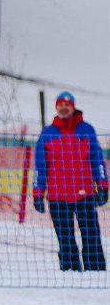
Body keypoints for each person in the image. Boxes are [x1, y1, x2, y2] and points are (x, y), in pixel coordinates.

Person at [33, 91, 108, 272]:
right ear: (57, 108)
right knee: (65, 237)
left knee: (91, 234)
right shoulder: (47, 134)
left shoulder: (86, 130)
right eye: (61, 105)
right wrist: (37, 194)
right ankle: (70, 270)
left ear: (73, 107)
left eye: (67, 104)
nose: (64, 108)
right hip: (58, 196)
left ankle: (95, 270)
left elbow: (97, 160)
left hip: (85, 194)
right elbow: (40, 167)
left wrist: (103, 186)